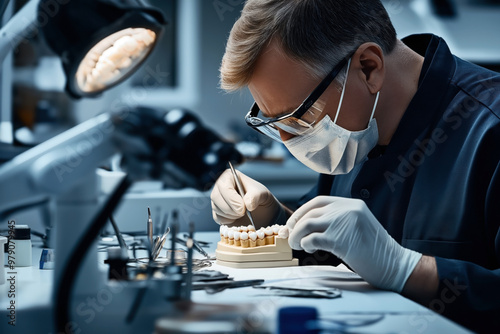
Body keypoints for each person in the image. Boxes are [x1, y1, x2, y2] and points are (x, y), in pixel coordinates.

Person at [210, 0, 500, 332]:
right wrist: (275, 221)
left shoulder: (489, 130)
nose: (288, 140)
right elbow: (333, 252)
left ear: (368, 67)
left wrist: (405, 269)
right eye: (273, 122)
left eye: (299, 118)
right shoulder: (354, 131)